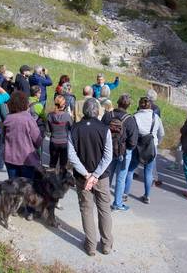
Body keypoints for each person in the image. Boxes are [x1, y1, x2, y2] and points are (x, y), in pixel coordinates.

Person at [67, 98, 114, 256]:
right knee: (104, 209)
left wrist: (87, 175)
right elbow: (108, 157)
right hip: (101, 178)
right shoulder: (104, 129)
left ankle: (91, 246)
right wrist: (95, 175)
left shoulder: (74, 129)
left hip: (82, 178)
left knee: (86, 210)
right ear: (98, 111)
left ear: (83, 111)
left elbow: (71, 156)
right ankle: (106, 245)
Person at [124, 97, 164, 204]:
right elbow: (161, 133)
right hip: (152, 146)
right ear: (150, 106)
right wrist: (156, 142)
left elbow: (131, 133)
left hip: (138, 146)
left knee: (131, 170)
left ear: (139, 105)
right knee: (148, 172)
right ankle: (147, 196)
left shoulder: (135, 117)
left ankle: (125, 193)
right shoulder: (156, 117)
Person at [102, 94, 138, 212]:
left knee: (108, 175)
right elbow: (133, 141)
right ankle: (117, 203)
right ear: (128, 106)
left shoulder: (108, 116)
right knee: (121, 178)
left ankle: (103, 200)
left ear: (117, 102)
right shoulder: (130, 120)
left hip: (108, 149)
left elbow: (101, 131)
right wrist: (128, 149)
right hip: (124, 151)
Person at [4, 91, 43, 180]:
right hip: (27, 159)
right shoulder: (29, 119)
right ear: (25, 103)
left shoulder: (7, 118)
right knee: (27, 188)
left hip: (10, 157)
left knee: (13, 186)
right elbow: (37, 140)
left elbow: (4, 138)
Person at [46, 95, 73, 172]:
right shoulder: (67, 116)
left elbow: (48, 130)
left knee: (52, 164)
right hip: (64, 142)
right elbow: (71, 128)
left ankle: (50, 181)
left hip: (53, 142)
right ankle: (62, 182)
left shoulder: (50, 115)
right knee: (63, 166)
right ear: (64, 105)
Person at [0, 87, 10, 172]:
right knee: (1, 145)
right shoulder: (0, 101)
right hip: (0, 124)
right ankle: (0, 164)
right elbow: (5, 114)